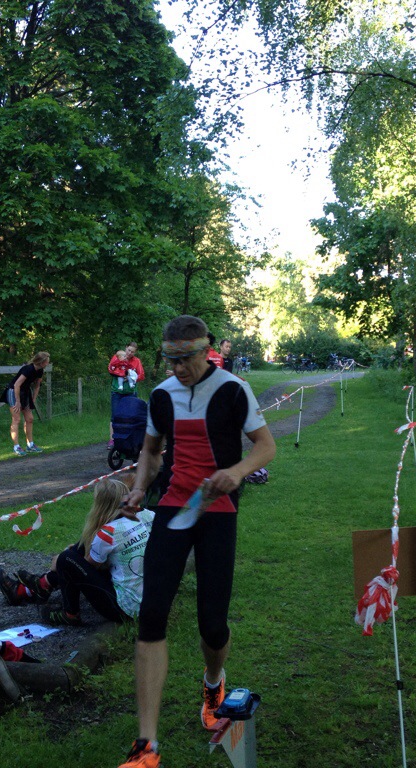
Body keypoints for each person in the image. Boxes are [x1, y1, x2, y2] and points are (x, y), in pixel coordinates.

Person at [116, 315, 276, 768]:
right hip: (173, 508)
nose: (177, 368)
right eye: (170, 360)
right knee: (152, 615)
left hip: (217, 511)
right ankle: (146, 744)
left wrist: (237, 472)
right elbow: (151, 451)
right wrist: (138, 487)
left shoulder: (233, 389)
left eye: (184, 359)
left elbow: (265, 446)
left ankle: (213, 682)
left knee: (212, 625)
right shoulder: (162, 395)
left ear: (205, 351)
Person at [0, 477, 154, 625]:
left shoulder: (108, 532)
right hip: (155, 598)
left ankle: (69, 612)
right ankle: (38, 586)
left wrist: (62, 560)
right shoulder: (148, 515)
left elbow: (87, 568)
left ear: (101, 505)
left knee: (67, 559)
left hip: (128, 611)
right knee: (80, 548)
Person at [2, 351, 49, 456]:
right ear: (41, 362)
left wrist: (34, 399)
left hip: (25, 393)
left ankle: (30, 445)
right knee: (16, 419)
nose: (47, 364)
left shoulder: (40, 371)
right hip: (13, 391)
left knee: (30, 419)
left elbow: (37, 386)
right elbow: (16, 385)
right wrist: (18, 401)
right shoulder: (28, 369)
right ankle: (16, 447)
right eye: (46, 362)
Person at [109, 342, 145, 448]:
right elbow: (110, 369)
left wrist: (132, 378)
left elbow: (141, 375)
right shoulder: (117, 357)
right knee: (115, 416)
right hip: (117, 391)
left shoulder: (136, 361)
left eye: (132, 352)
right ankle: (112, 440)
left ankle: (131, 439)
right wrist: (121, 374)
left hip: (131, 392)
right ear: (126, 348)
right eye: (129, 350)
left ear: (135, 352)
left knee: (131, 417)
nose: (129, 353)